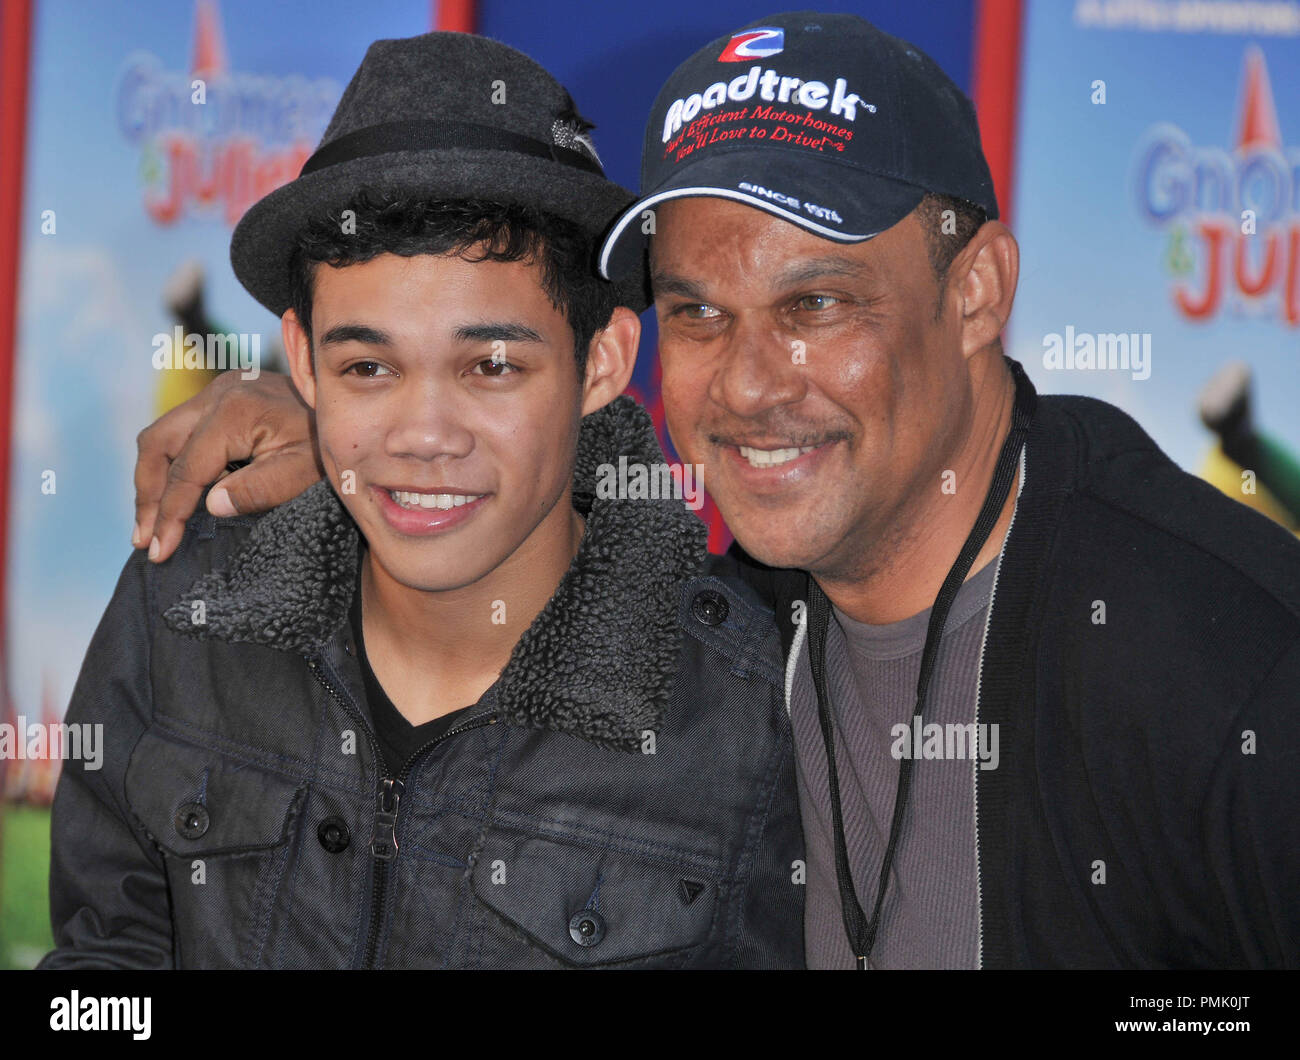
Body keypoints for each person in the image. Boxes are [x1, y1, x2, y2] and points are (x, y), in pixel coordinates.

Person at [132, 13, 1300, 969]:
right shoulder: (744, 613)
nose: (746, 384)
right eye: (696, 311)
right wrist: (352, 428)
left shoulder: (1229, 663)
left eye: (816, 305)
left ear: (977, 290)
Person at [42, 31, 803, 969]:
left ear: (601, 360)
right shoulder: (180, 600)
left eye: (490, 365)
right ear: (302, 359)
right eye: (369, 366)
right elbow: (102, 965)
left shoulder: (754, 709)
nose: (423, 435)